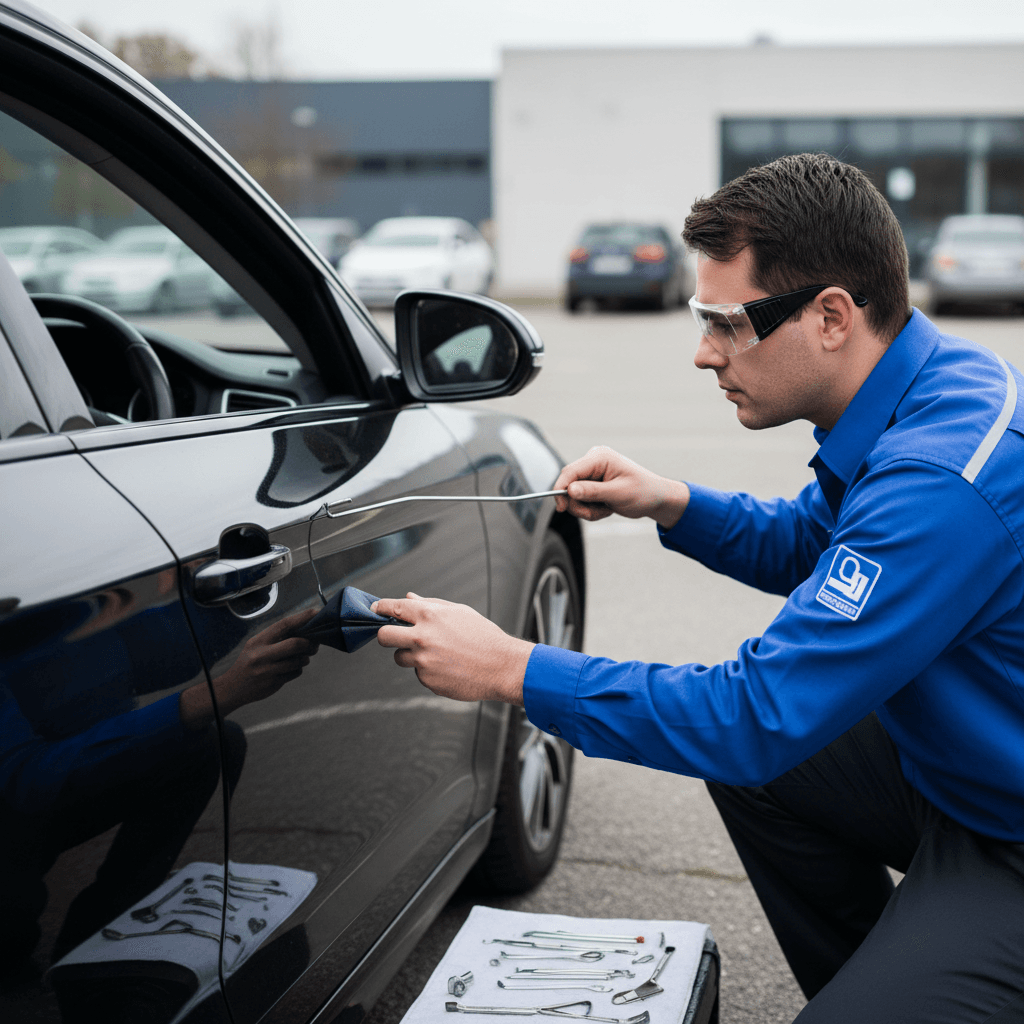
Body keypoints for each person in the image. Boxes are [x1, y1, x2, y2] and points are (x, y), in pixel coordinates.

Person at [373, 152, 1024, 1022]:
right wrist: (671, 502)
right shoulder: (930, 381)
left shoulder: (940, 483)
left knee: (758, 746)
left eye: (727, 322)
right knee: (773, 780)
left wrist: (513, 669)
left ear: (831, 316)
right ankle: (906, 977)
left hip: (1007, 833)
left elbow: (755, 716)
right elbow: (815, 542)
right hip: (971, 772)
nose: (702, 352)